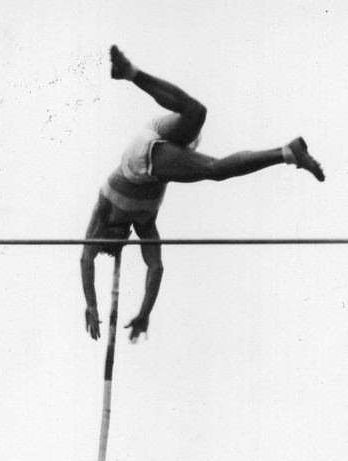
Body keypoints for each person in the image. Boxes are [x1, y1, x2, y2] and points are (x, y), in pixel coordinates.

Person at [81, 46, 325, 343]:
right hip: (157, 145)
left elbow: (86, 258)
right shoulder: (144, 224)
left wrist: (92, 304)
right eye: (122, 240)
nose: (123, 237)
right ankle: (130, 73)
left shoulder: (103, 212)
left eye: (115, 239)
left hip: (138, 160)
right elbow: (155, 267)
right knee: (197, 114)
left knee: (216, 169)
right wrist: (145, 312)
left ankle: (287, 153)